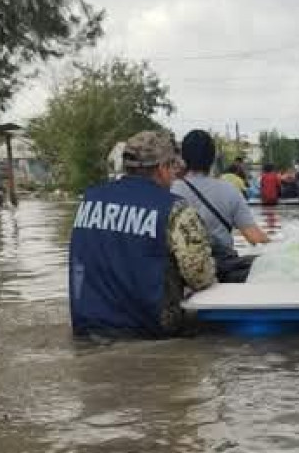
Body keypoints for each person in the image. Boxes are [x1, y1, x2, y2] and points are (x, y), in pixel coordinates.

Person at [68, 131, 216, 338]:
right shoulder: (175, 208)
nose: (175, 174)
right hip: (146, 332)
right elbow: (200, 276)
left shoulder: (89, 199)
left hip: (88, 328)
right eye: (173, 166)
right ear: (163, 168)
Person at [173, 130, 271, 283]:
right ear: (213, 158)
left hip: (181, 274)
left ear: (182, 158)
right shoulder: (229, 190)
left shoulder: (170, 191)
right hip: (221, 272)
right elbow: (255, 238)